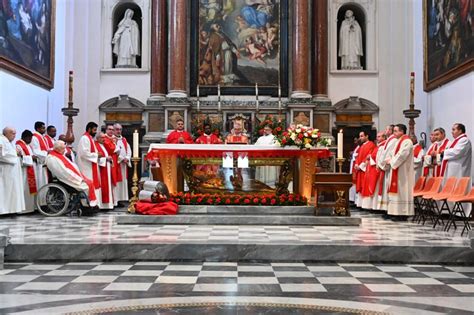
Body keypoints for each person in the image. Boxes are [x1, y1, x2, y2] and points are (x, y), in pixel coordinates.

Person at [46, 141, 98, 207]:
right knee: (85, 187)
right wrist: (79, 179)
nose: (64, 150)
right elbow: (63, 172)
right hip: (65, 179)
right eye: (63, 149)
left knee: (90, 182)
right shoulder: (52, 158)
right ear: (57, 149)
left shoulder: (59, 155)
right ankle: (86, 206)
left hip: (69, 177)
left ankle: (89, 204)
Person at [386, 124, 414, 220]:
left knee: (402, 190)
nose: (394, 133)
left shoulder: (407, 141)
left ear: (402, 131)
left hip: (403, 171)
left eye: (395, 131)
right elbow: (392, 153)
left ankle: (403, 213)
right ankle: (395, 213)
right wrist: (389, 159)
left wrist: (392, 161)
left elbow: (402, 155)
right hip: (396, 169)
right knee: (397, 192)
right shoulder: (398, 141)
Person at [0, 127, 25, 215]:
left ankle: (11, 210)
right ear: (6, 133)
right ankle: (4, 211)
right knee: (5, 191)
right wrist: (15, 153)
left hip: (13, 170)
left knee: (13, 191)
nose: (14, 136)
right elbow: (2, 155)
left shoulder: (10, 142)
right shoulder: (1, 140)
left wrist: (19, 153)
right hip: (5, 170)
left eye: (15, 133)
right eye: (12, 133)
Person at [76, 122, 101, 204]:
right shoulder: (85, 139)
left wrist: (96, 155)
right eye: (94, 130)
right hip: (86, 166)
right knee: (87, 185)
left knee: (92, 185)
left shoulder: (89, 138)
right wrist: (96, 155)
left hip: (91, 165)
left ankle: (92, 203)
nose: (95, 132)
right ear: (89, 129)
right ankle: (86, 204)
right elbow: (84, 153)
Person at [361, 132, 387, 210]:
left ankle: (375, 207)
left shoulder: (383, 146)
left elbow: (379, 157)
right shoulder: (378, 146)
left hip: (376, 169)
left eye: (379, 137)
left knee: (375, 188)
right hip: (371, 169)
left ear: (384, 137)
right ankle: (373, 206)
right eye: (377, 137)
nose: (377, 138)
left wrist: (370, 157)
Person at [377, 125, 398, 211]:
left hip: (388, 167)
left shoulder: (393, 140)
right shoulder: (389, 140)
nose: (385, 131)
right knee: (386, 188)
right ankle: (386, 209)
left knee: (388, 188)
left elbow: (387, 154)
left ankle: (388, 209)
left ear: (390, 130)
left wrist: (382, 164)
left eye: (386, 129)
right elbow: (383, 154)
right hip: (385, 166)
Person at [16, 130, 37, 213]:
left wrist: (32, 157)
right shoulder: (19, 145)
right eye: (30, 138)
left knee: (28, 190)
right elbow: (20, 159)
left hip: (29, 170)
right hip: (23, 172)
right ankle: (23, 210)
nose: (30, 140)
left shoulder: (27, 145)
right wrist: (31, 158)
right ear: (25, 137)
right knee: (24, 189)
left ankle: (29, 209)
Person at [353, 131, 375, 208]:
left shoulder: (371, 145)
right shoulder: (362, 146)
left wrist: (361, 166)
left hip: (365, 169)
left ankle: (366, 205)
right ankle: (360, 204)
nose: (360, 138)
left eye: (362, 136)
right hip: (360, 169)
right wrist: (356, 164)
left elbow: (368, 157)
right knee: (360, 186)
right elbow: (358, 157)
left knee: (365, 186)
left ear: (367, 136)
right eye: (360, 136)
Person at [95, 132, 114, 210]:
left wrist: (108, 158)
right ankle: (102, 206)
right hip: (100, 169)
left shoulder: (102, 146)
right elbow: (95, 157)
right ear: (98, 138)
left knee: (107, 186)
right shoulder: (95, 145)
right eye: (102, 138)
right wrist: (106, 159)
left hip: (106, 168)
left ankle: (107, 205)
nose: (104, 139)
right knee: (103, 186)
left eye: (104, 138)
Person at [114, 123, 132, 204]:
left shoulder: (124, 140)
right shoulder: (112, 140)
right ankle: (115, 200)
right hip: (116, 164)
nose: (119, 131)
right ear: (114, 130)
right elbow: (113, 151)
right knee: (116, 182)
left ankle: (121, 199)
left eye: (120, 129)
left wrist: (127, 158)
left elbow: (129, 150)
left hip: (123, 165)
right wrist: (122, 159)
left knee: (122, 182)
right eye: (117, 129)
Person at [30, 121, 49, 189]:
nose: (45, 129)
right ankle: (39, 198)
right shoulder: (34, 137)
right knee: (40, 183)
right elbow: (35, 152)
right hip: (39, 164)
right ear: (38, 129)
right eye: (43, 128)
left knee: (44, 182)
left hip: (43, 163)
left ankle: (43, 197)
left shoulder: (42, 137)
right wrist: (47, 153)